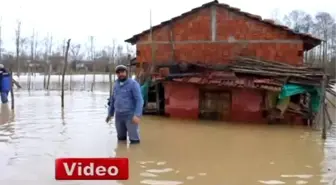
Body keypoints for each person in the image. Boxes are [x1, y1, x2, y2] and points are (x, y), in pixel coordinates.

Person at [106, 65, 144, 144]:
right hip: (119, 116)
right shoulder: (116, 84)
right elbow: (113, 100)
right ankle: (122, 154)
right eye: (118, 73)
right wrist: (110, 114)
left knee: (134, 140)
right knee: (120, 139)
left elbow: (139, 100)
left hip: (130, 116)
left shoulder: (133, 84)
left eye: (123, 72)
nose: (121, 74)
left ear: (126, 73)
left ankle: (134, 155)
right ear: (117, 74)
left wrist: (137, 115)